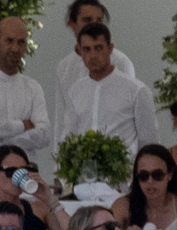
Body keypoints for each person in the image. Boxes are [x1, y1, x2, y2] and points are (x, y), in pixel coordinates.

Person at [0, 17, 53, 204]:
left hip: (27, 170)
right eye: (9, 41)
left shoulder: (33, 87)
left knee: (28, 227)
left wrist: (1, 139)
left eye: (21, 42)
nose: (15, 48)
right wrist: (22, 125)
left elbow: (44, 135)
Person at [60, 22, 157, 158]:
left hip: (124, 174)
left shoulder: (136, 90)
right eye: (87, 49)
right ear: (80, 51)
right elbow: (69, 135)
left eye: (98, 48)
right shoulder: (75, 91)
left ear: (110, 48)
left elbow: (149, 141)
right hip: (85, 173)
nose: (92, 55)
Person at [54, 0, 137, 119]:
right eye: (87, 20)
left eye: (98, 20)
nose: (94, 25)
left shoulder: (120, 62)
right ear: (72, 25)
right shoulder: (64, 67)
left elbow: (131, 110)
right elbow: (62, 114)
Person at [113, 144, 177, 230]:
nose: (150, 181)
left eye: (157, 175)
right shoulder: (123, 206)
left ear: (170, 174)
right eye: (143, 176)